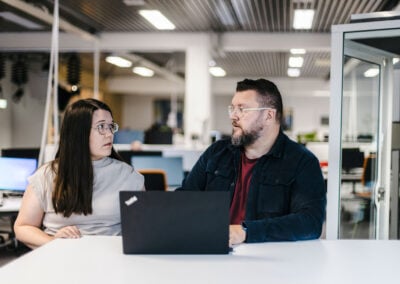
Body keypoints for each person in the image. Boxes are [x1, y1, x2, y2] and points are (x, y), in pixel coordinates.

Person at [178, 78, 326, 246]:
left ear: (268, 115)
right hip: (213, 253)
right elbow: (184, 199)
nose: (233, 116)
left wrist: (246, 231)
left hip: (269, 261)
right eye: (232, 108)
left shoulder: (302, 162)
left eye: (242, 109)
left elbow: (310, 223)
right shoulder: (216, 153)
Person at [14, 98, 144, 249]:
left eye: (110, 127)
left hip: (110, 259)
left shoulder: (128, 175)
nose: (109, 134)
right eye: (101, 127)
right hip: (60, 259)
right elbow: (23, 227)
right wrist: (52, 243)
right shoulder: (47, 175)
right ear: (78, 132)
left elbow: (142, 228)